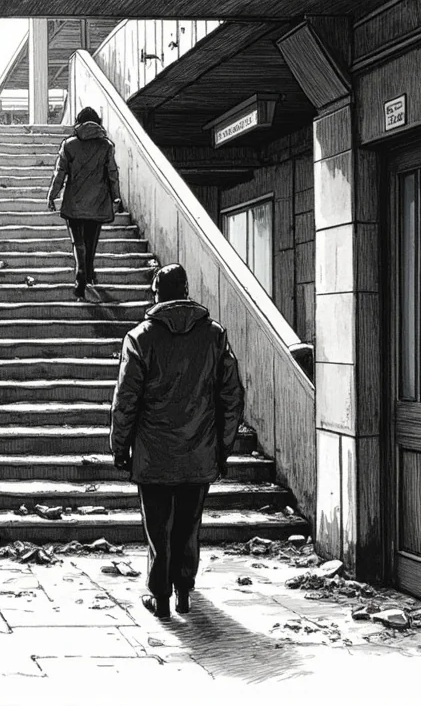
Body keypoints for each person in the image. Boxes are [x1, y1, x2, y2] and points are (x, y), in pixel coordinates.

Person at [109, 264, 245, 619]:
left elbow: (126, 401)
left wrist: (119, 446)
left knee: (158, 529)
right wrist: (223, 446)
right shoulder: (214, 336)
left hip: (154, 454)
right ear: (185, 291)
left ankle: (161, 597)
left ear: (157, 294)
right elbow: (232, 396)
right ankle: (184, 589)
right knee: (189, 525)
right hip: (199, 452)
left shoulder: (140, 338)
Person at [48, 107, 123, 300]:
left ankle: (80, 272)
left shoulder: (69, 145)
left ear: (78, 122)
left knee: (78, 241)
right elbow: (112, 174)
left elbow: (60, 174)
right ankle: (90, 272)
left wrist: (52, 195)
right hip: (98, 201)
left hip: (74, 201)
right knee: (92, 240)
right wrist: (116, 196)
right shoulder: (106, 146)